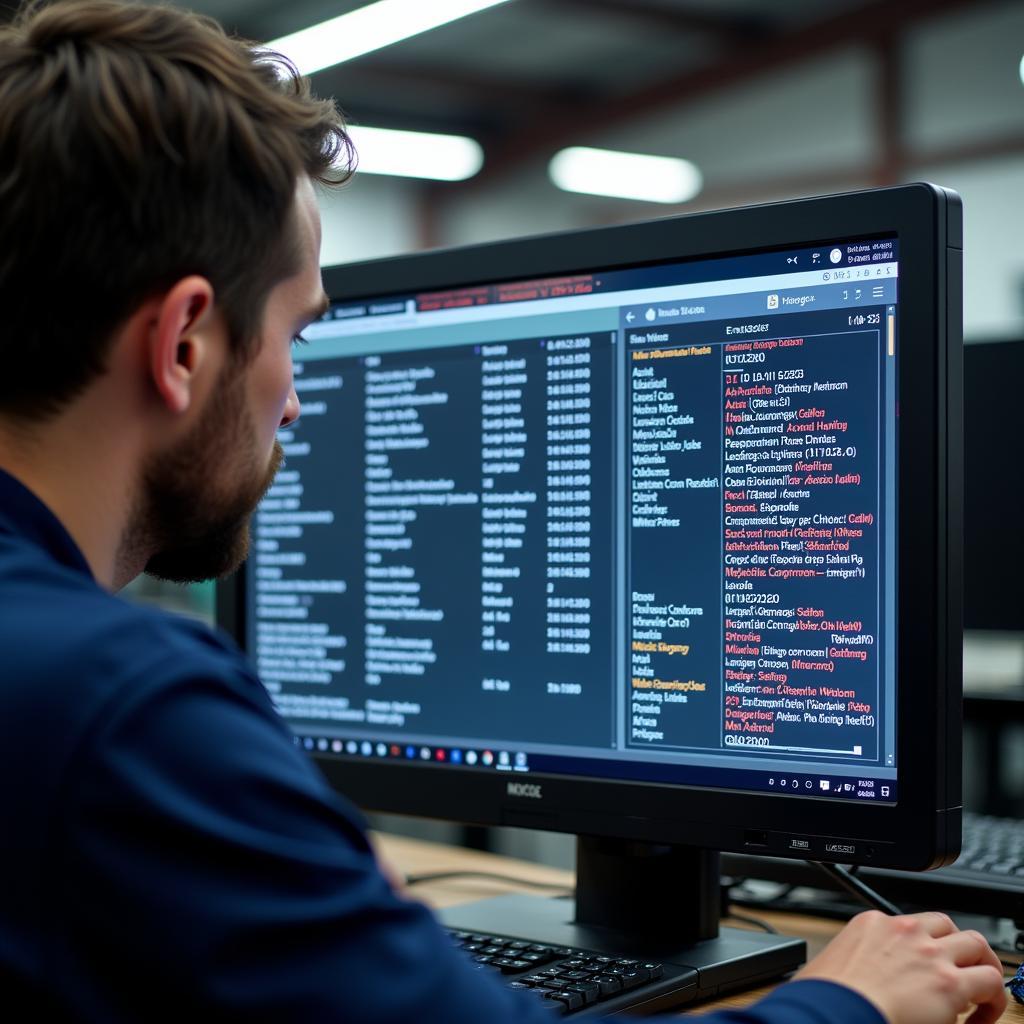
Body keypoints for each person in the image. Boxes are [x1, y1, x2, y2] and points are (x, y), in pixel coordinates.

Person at [0, 1, 1006, 1022]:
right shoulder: (130, 712)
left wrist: (310, 899)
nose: (298, 399)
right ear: (181, 346)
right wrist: (849, 1001)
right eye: (296, 334)